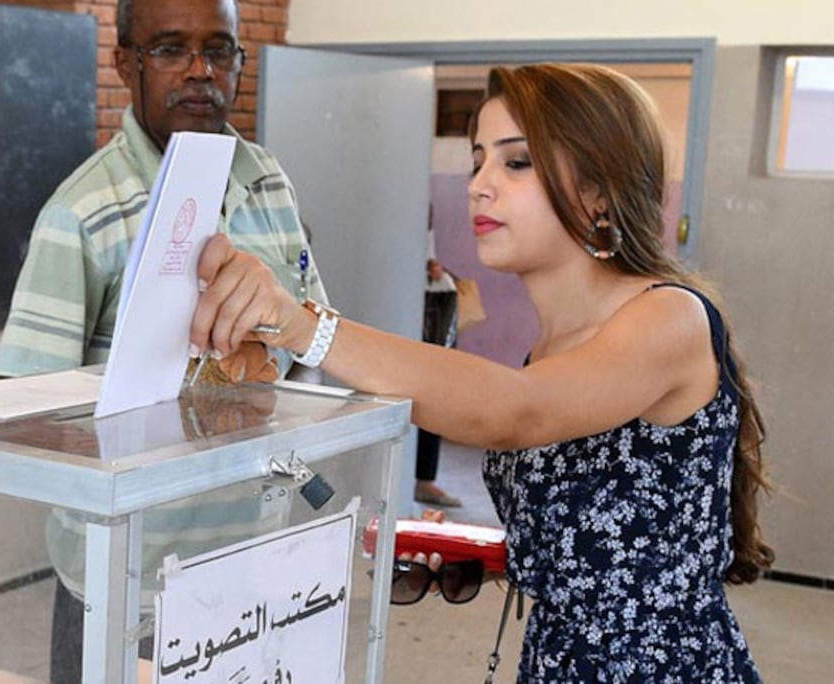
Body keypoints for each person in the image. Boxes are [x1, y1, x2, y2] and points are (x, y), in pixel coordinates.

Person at [190, 63, 773, 682]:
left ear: (599, 190)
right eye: (477, 161)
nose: (478, 185)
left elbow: (516, 412)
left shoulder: (669, 318)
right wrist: (482, 556)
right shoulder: (550, 349)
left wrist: (303, 325)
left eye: (515, 163)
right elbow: (603, 547)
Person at [0, 0, 326, 680]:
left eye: (219, 50)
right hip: (130, 585)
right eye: (171, 50)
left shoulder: (268, 180)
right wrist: (156, 420)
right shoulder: (81, 212)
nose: (201, 72)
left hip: (256, 565)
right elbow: (17, 416)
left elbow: (315, 338)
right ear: (125, 64)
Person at [415, 258, 461, 507]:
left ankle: (424, 477)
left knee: (434, 387)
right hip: (422, 297)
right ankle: (422, 478)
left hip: (431, 294)